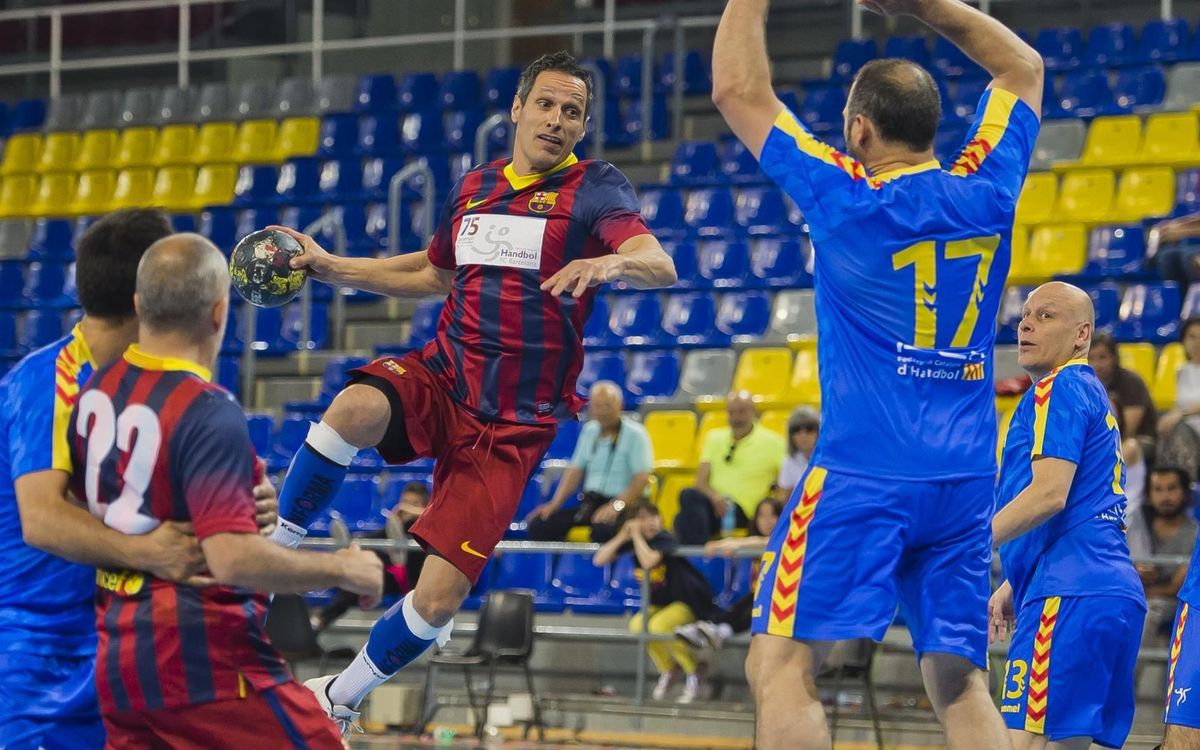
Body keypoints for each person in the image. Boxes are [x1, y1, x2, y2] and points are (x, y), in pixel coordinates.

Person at [263, 50, 676, 734]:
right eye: (545, 104)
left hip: (512, 429)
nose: (556, 120)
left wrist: (611, 262)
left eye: (572, 112)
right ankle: (278, 548)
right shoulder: (476, 186)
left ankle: (340, 694)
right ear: (518, 109)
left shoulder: (596, 189)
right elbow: (432, 273)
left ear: (583, 125)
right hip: (446, 378)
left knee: (438, 602)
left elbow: (657, 263)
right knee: (354, 406)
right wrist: (335, 269)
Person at [711, 0, 1043, 745]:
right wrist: (919, 4)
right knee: (958, 679)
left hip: (864, 473)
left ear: (859, 131)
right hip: (963, 481)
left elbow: (738, 91)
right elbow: (1022, 66)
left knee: (782, 662)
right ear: (932, 124)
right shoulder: (988, 190)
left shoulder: (848, 195)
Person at [66, 233, 383, 746]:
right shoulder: (207, 409)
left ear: (139, 304)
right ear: (219, 313)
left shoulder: (95, 393)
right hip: (200, 654)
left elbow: (97, 510)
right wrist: (341, 568)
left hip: (118, 655)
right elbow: (233, 561)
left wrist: (229, 503)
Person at [0, 209, 225, 750]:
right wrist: (151, 552)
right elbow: (42, 519)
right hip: (41, 661)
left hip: (124, 646)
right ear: (144, 298)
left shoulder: (149, 387)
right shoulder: (49, 381)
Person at [988, 282, 1145, 750]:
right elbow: (1083, 503)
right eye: (1025, 315)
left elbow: (1049, 495)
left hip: (1068, 593)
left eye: (1046, 316)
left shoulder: (1058, 387)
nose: (1027, 323)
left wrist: (968, 539)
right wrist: (1016, 581)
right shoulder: (1089, 394)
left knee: (1025, 744)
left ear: (1082, 336)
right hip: (1108, 592)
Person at [592, 500, 716, 704]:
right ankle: (669, 669)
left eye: (654, 516)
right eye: (642, 518)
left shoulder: (664, 538)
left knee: (660, 626)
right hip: (659, 604)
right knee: (638, 625)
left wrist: (637, 536)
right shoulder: (634, 540)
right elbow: (599, 559)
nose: (651, 522)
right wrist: (624, 535)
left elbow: (649, 561)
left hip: (686, 602)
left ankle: (694, 670)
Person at [525, 380, 652, 542]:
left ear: (620, 405)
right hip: (591, 504)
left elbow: (642, 479)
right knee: (540, 525)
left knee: (602, 530)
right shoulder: (589, 431)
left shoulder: (636, 434)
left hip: (623, 505)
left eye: (607, 405)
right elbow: (575, 471)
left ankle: (606, 567)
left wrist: (616, 505)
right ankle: (563, 567)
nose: (602, 411)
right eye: (597, 406)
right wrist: (554, 504)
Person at [314, 480, 431, 633]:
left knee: (406, 532)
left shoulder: (432, 524)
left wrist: (405, 510)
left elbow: (437, 515)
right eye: (405, 503)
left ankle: (354, 549)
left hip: (417, 580)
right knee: (357, 580)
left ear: (424, 506)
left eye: (413, 504)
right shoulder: (394, 526)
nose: (406, 509)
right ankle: (320, 620)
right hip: (391, 579)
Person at [674, 496, 783, 652]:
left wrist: (733, 542)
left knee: (759, 597)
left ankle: (717, 629)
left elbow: (771, 542)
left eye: (773, 515)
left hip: (778, 604)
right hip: (748, 603)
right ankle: (713, 628)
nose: (767, 520)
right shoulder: (749, 552)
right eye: (762, 515)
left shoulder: (786, 541)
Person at [673, 392, 784, 545]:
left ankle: (696, 560)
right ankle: (697, 557)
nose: (736, 418)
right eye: (731, 412)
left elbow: (783, 484)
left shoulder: (774, 443)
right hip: (711, 504)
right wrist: (715, 498)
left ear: (753, 411)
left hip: (744, 511)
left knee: (683, 518)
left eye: (741, 412)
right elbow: (700, 481)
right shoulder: (714, 438)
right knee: (687, 499)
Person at [1128, 467, 1198, 649]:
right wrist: (1134, 570)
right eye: (1158, 489)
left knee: (1151, 610)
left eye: (1171, 488)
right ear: (1149, 494)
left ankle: (1130, 676)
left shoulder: (1195, 534)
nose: (1165, 497)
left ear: (1184, 492)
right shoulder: (1136, 523)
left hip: (1169, 603)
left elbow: (1176, 588)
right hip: (1133, 593)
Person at [1088, 331, 1158, 441]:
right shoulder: (1085, 384)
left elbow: (1128, 432)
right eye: (1090, 359)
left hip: (1139, 440)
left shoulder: (1131, 382)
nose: (1097, 365)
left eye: (1102, 358)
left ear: (1114, 358)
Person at [1158, 318, 1200, 483]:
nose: (1197, 343)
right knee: (1167, 428)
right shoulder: (1182, 371)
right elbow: (1179, 406)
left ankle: (1185, 487)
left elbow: (1185, 409)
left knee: (1179, 430)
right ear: (1183, 341)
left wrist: (1180, 413)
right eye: (1192, 337)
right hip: (1187, 430)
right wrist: (1169, 418)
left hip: (1190, 429)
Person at [776, 407, 819, 499]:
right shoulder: (789, 461)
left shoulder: (830, 460)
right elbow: (786, 500)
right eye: (796, 430)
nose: (803, 435)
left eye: (809, 429)